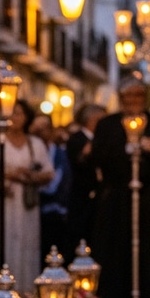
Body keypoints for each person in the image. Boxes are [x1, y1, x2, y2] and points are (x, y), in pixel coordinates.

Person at [90, 77, 150, 298]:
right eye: (128, 97)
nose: (133, 102)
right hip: (117, 198)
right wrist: (127, 149)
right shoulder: (107, 125)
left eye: (138, 97)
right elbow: (98, 156)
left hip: (148, 198)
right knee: (115, 249)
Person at [0, 99, 54, 296]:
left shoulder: (34, 143)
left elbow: (48, 173)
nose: (15, 117)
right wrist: (8, 173)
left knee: (26, 246)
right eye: (12, 113)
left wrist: (29, 176)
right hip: (2, 202)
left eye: (19, 113)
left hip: (25, 203)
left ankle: (25, 293)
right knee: (0, 243)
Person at [30, 113, 71, 262]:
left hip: (54, 213)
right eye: (36, 129)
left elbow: (55, 184)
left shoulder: (59, 154)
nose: (40, 133)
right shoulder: (31, 151)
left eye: (44, 129)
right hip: (33, 212)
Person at [65, 103, 105, 253]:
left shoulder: (102, 140)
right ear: (91, 120)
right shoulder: (76, 139)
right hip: (81, 197)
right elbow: (78, 161)